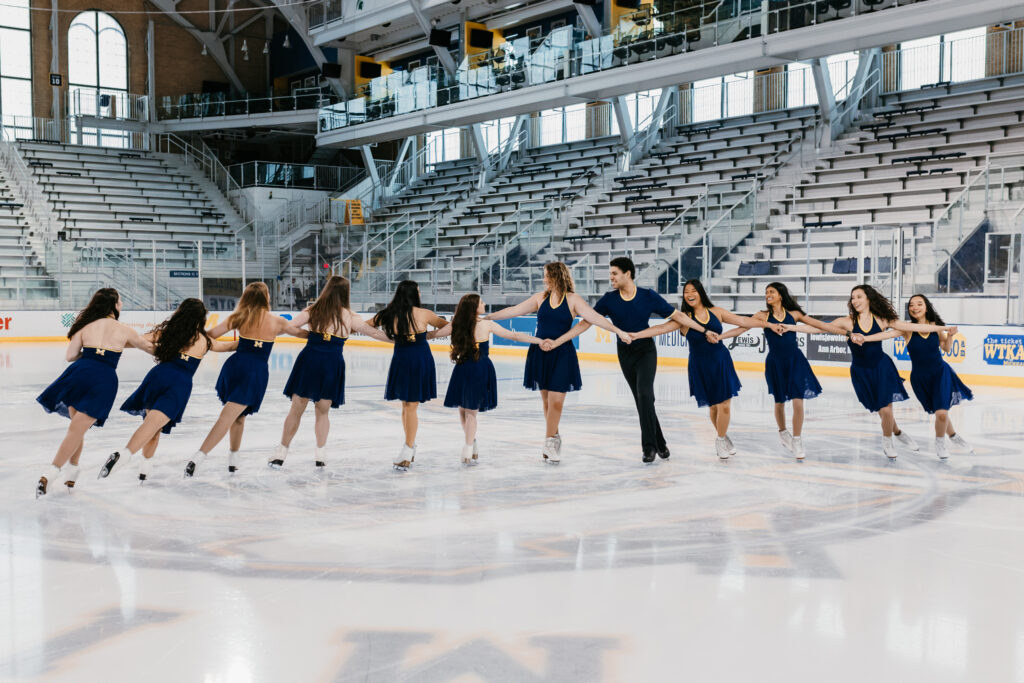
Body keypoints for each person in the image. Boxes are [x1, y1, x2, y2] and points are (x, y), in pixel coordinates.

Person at [544, 257, 715, 464]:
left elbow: (678, 316)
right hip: (625, 354)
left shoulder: (647, 296)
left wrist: (704, 330)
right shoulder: (609, 299)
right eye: (610, 273)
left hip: (646, 351)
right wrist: (560, 340)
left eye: (614, 273)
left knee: (645, 394)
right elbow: (588, 321)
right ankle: (660, 443)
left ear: (628, 273)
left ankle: (649, 447)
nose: (611, 277)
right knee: (643, 399)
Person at [484, 261, 632, 464]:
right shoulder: (540, 298)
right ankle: (553, 438)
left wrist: (618, 331)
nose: (544, 278)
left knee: (556, 402)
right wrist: (487, 318)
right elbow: (514, 310)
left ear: (555, 276)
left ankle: (549, 442)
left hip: (562, 353)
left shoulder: (572, 300)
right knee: (546, 402)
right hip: (540, 352)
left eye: (546, 275)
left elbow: (595, 318)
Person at [785, 284, 953, 460]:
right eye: (853, 297)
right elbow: (817, 328)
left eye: (859, 296)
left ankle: (887, 441)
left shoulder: (881, 320)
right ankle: (897, 431)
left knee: (886, 411)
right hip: (861, 372)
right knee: (882, 411)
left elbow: (912, 327)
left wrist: (941, 329)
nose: (855, 300)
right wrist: (791, 327)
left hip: (882, 368)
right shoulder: (847, 322)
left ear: (868, 299)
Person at [629, 279, 784, 460]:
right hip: (700, 365)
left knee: (724, 405)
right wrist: (637, 335)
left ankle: (720, 440)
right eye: (686, 292)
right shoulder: (683, 318)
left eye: (693, 290)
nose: (690, 294)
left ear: (700, 292)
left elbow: (742, 320)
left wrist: (769, 324)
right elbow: (661, 328)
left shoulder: (716, 312)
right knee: (713, 407)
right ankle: (723, 436)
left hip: (721, 361)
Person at [99, 298, 237, 482]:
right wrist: (256, 338)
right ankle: (124, 455)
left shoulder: (168, 332)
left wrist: (111, 342)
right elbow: (228, 347)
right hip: (178, 385)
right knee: (152, 426)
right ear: (201, 318)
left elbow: (138, 340)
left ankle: (144, 471)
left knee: (153, 428)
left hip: (157, 378)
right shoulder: (205, 340)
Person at [35, 288, 154, 497]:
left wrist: (91, 356)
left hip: (79, 374)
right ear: (114, 305)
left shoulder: (85, 326)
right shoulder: (125, 330)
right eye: (120, 301)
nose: (122, 304)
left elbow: (71, 356)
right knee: (76, 430)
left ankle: (72, 471)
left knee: (76, 428)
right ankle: (50, 474)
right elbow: (151, 348)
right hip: (103, 380)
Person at [715, 282, 849, 460]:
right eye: (766, 292)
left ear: (780, 295)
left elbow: (819, 325)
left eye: (771, 291)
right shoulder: (762, 316)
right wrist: (721, 337)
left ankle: (797, 439)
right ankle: (783, 432)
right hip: (775, 363)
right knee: (779, 402)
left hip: (795, 361)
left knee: (798, 400)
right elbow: (742, 328)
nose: (768, 295)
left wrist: (847, 333)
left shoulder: (794, 314)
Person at [269, 276, 392, 469]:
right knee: (322, 411)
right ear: (346, 293)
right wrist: (399, 341)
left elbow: (289, 327)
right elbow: (375, 333)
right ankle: (320, 454)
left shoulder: (313, 310)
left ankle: (281, 452)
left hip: (310, 360)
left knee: (296, 409)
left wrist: (265, 333)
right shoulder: (350, 316)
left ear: (327, 289)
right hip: (331, 364)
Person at [184, 282, 304, 477]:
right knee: (228, 416)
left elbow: (210, 335)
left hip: (235, 367)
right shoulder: (278, 321)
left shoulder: (239, 317)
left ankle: (233, 461)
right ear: (266, 297)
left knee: (238, 417)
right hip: (254, 372)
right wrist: (330, 334)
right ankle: (198, 458)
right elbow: (301, 334)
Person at [855, 293, 974, 459]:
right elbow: (887, 335)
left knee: (941, 413)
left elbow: (946, 349)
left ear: (926, 307)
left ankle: (940, 443)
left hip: (941, 374)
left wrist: (950, 336)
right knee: (940, 411)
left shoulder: (935, 326)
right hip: (920, 378)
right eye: (911, 305)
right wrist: (865, 338)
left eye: (919, 304)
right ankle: (953, 435)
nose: (915, 307)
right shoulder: (907, 329)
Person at [432, 293, 542, 465]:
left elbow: (514, 336)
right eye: (481, 302)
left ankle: (468, 446)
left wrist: (539, 341)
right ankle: (471, 441)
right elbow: (436, 334)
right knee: (463, 409)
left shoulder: (482, 323)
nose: (484, 304)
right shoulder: (461, 324)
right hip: (466, 367)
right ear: (474, 307)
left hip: (475, 368)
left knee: (470, 410)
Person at [371, 280, 448, 471]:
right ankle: (409, 446)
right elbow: (448, 327)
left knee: (410, 405)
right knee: (407, 405)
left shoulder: (388, 313)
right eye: (419, 292)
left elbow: (364, 327)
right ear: (414, 294)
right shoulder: (424, 314)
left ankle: (408, 448)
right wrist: (429, 335)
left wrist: (389, 338)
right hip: (417, 357)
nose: (420, 294)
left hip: (405, 358)